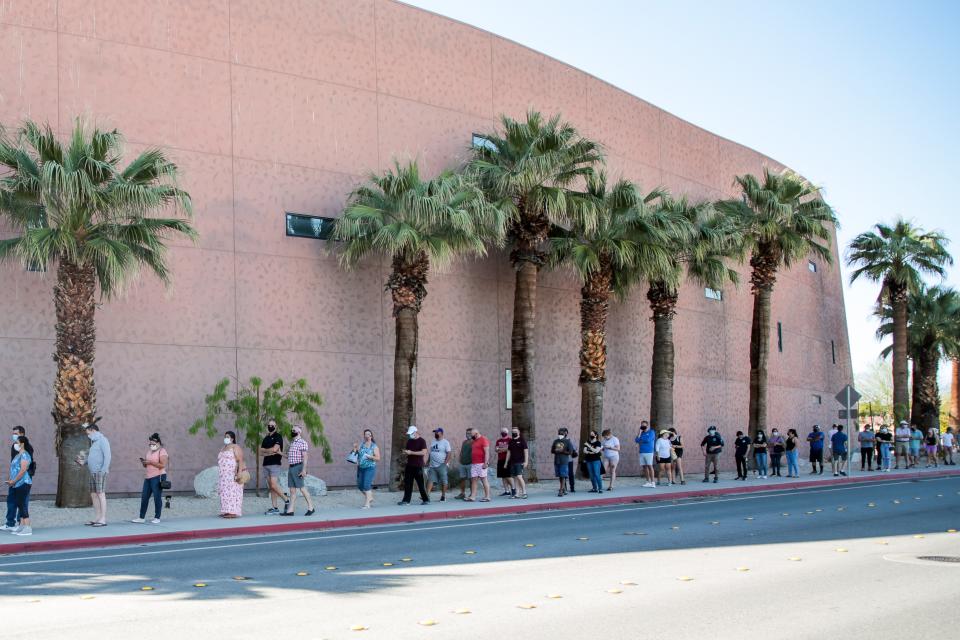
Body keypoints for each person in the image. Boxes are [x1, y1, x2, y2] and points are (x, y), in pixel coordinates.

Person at [75, 423, 111, 527]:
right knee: (94, 495)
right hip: (92, 472)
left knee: (100, 494)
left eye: (88, 433)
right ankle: (97, 517)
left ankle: (103, 519)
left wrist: (103, 470)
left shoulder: (103, 440)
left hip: (100, 472)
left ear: (93, 430)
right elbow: (92, 457)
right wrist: (83, 462)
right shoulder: (94, 442)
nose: (87, 435)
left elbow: (107, 456)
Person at [3, 426, 34, 532]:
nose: (13, 436)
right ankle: (12, 523)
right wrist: (11, 479)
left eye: (16, 433)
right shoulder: (15, 448)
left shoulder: (27, 451)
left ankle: (25, 525)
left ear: (22, 434)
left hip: (22, 481)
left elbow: (24, 468)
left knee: (22, 503)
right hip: (14, 481)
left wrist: (15, 480)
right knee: (12, 500)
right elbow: (14, 466)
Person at [132, 433, 168, 524]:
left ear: (158, 443)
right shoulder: (149, 452)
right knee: (144, 497)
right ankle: (141, 517)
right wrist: (144, 463)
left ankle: (157, 517)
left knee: (157, 497)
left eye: (153, 444)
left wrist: (150, 462)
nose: (151, 445)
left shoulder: (162, 451)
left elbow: (162, 465)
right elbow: (147, 465)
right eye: (150, 444)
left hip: (158, 476)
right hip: (148, 477)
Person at [282, 426, 315, 516]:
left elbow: (305, 457)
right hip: (291, 468)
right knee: (292, 490)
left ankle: (311, 507)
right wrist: (279, 453)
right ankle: (290, 510)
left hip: (298, 467)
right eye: (291, 430)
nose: (292, 431)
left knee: (302, 488)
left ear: (299, 432)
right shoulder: (293, 443)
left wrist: (304, 470)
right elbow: (289, 457)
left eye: (294, 430)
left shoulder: (302, 442)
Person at [259, 419, 289, 515]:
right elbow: (260, 451)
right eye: (269, 425)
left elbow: (275, 449)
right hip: (266, 464)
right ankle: (275, 507)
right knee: (271, 488)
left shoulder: (278, 436)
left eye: (272, 425)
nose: (270, 426)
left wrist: (267, 451)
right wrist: (270, 451)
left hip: (275, 463)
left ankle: (286, 500)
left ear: (276, 426)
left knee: (273, 485)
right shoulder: (266, 438)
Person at [398, 425, 429, 506]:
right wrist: (405, 452)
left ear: (415, 432)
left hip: (418, 465)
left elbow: (423, 452)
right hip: (410, 465)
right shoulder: (409, 441)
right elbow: (409, 451)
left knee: (421, 484)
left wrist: (411, 452)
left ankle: (426, 499)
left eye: (411, 433)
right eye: (409, 434)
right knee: (408, 484)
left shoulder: (422, 441)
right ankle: (406, 500)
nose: (410, 435)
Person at [218, 430, 245, 518]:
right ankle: (226, 510)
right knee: (225, 493)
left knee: (232, 492)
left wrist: (239, 473)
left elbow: (240, 460)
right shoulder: (223, 448)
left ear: (232, 439)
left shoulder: (235, 447)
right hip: (223, 475)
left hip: (232, 474)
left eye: (228, 437)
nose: (226, 438)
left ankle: (233, 511)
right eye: (225, 437)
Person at [353, 429, 380, 508]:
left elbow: (378, 458)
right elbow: (356, 453)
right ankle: (370, 497)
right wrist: (355, 448)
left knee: (366, 485)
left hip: (370, 468)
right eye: (366, 434)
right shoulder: (361, 444)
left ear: (371, 436)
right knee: (360, 486)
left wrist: (370, 457)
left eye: (369, 434)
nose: (367, 435)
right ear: (364, 436)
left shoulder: (374, 446)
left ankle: (367, 504)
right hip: (361, 467)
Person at [426, 427, 452, 501]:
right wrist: (428, 462)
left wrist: (445, 463)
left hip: (442, 465)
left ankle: (443, 496)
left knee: (444, 481)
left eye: (437, 432)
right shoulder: (433, 441)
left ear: (441, 433)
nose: (436, 434)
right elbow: (431, 453)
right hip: (432, 465)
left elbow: (449, 453)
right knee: (430, 480)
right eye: (435, 432)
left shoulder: (445, 442)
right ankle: (427, 496)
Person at [504, 427, 529, 499]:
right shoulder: (511, 441)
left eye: (515, 431)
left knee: (519, 477)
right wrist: (506, 463)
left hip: (520, 462)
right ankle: (517, 493)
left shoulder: (522, 440)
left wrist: (526, 461)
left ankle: (524, 492)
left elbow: (526, 451)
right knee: (514, 478)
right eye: (512, 432)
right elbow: (508, 452)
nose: (514, 433)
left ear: (518, 432)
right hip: (512, 462)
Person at [467, 428, 491, 502]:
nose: (471, 436)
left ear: (476, 433)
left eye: (472, 435)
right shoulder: (474, 441)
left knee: (484, 479)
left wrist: (486, 463)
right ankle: (473, 496)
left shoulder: (483, 439)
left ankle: (487, 497)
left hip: (481, 463)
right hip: (474, 463)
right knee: (474, 480)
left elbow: (487, 452)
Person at [551, 428, 575, 497]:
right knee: (560, 476)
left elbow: (571, 452)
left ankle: (561, 490)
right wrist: (556, 450)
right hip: (557, 460)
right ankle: (563, 488)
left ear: (565, 434)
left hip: (564, 461)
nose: (560, 434)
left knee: (563, 475)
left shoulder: (567, 441)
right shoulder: (555, 441)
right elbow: (552, 451)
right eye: (559, 433)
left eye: (561, 433)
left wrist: (563, 451)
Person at [454, 427, 474, 500]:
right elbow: (462, 452)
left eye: (469, 433)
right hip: (463, 464)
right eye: (467, 433)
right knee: (462, 479)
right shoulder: (464, 442)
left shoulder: (474, 442)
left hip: (470, 464)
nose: (467, 434)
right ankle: (462, 493)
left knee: (471, 480)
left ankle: (472, 494)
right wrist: (460, 458)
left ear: (473, 434)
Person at [635, 423, 656, 488]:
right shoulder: (641, 433)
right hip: (642, 452)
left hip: (649, 452)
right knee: (644, 467)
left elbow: (648, 440)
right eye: (642, 425)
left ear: (647, 425)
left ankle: (653, 482)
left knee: (650, 466)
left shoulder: (651, 432)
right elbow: (636, 440)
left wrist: (640, 440)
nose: (643, 426)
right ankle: (648, 482)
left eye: (644, 425)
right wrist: (639, 432)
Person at [494, 428, 513, 497]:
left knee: (508, 475)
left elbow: (510, 449)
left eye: (504, 431)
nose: (503, 432)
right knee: (503, 476)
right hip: (500, 459)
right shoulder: (498, 441)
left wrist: (500, 449)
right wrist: (505, 449)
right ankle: (506, 491)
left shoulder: (510, 440)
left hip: (508, 460)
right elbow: (496, 450)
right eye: (502, 431)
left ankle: (513, 489)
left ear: (507, 432)